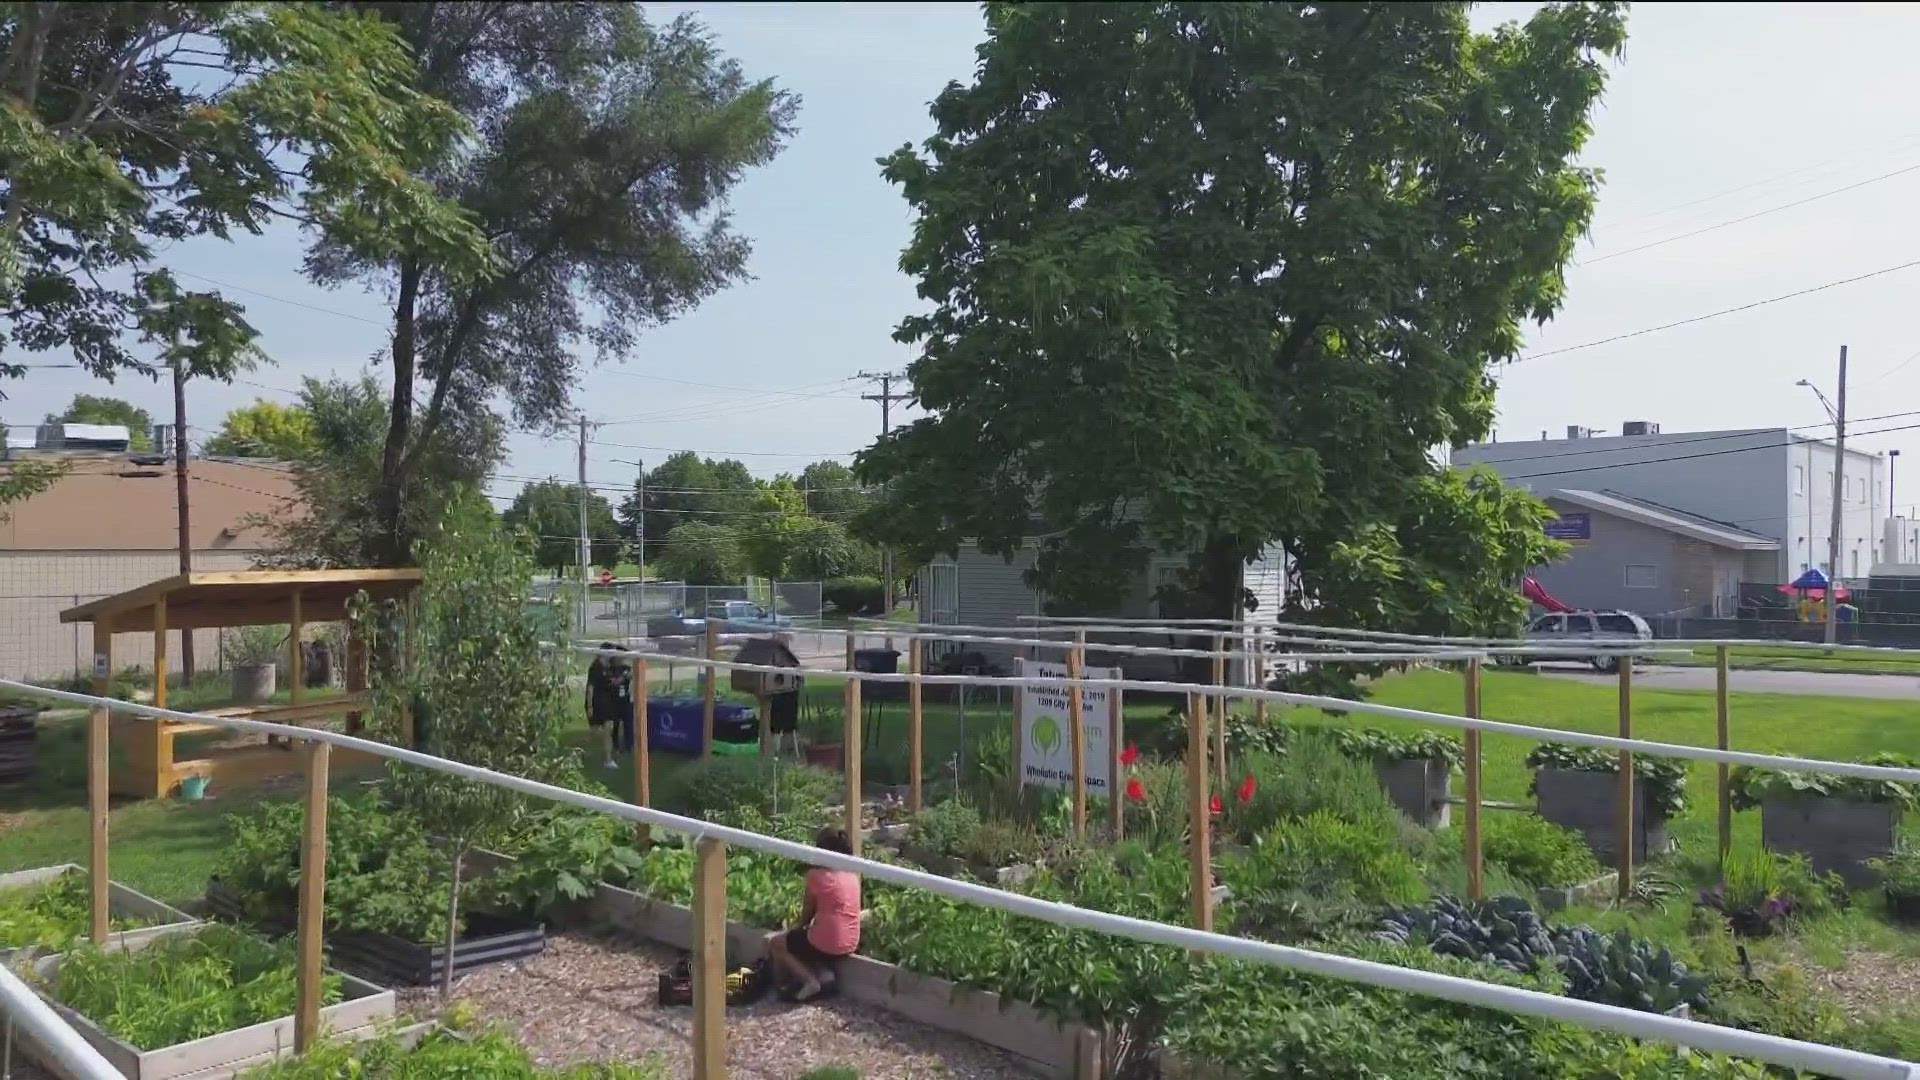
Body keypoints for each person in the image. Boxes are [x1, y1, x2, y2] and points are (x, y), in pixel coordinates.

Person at [766, 828, 862, 1001]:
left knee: (777, 943)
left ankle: (806, 982)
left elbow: (807, 914)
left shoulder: (816, 876)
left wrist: (793, 929)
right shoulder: (852, 875)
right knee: (809, 940)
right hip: (850, 943)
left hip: (827, 943)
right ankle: (825, 976)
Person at [585, 643, 633, 769]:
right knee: (605, 728)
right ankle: (607, 760)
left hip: (606, 702)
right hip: (597, 702)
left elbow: (611, 682)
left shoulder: (607, 666)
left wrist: (622, 679)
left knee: (601, 728)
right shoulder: (596, 667)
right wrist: (590, 706)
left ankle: (583, 753)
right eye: (611, 651)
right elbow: (590, 688)